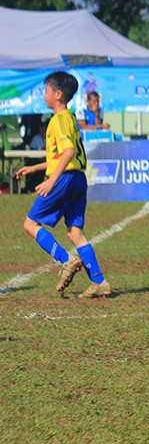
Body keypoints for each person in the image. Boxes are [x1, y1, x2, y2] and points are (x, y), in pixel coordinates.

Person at [14, 71, 111, 299]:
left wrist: (51, 180)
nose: (44, 95)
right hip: (78, 178)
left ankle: (66, 260)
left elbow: (68, 152)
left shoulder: (58, 121)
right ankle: (99, 282)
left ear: (58, 94)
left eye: (46, 91)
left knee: (30, 224)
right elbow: (63, 155)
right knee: (75, 233)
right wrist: (35, 168)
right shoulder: (70, 119)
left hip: (64, 179)